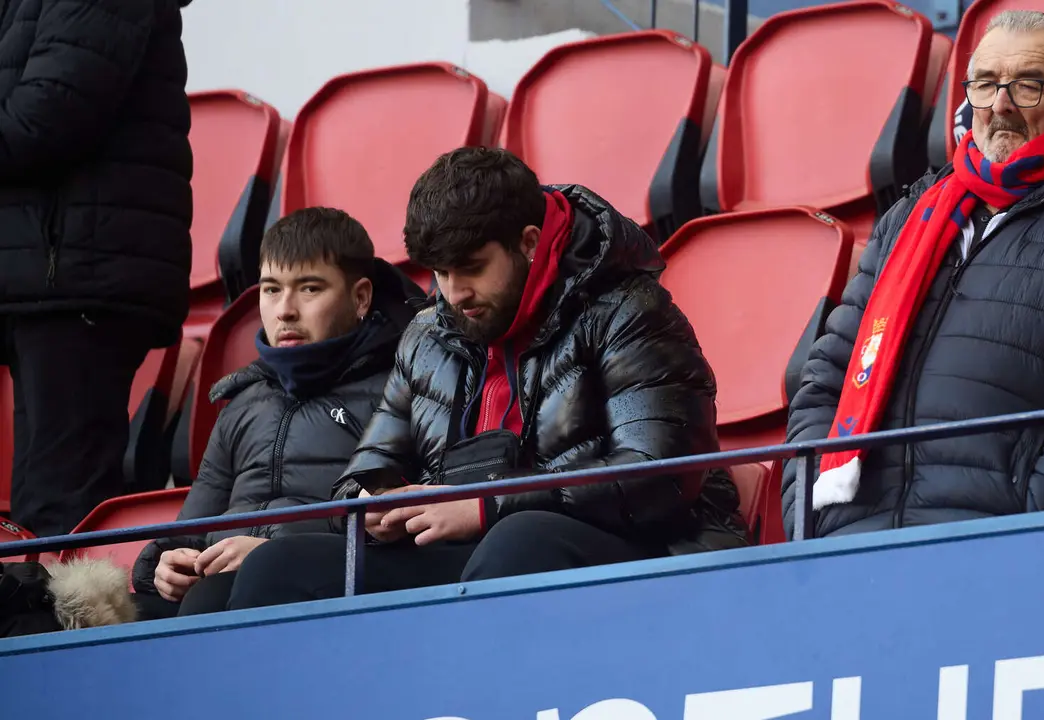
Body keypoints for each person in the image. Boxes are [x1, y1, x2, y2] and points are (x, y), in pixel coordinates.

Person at [226, 148, 747, 610]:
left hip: (634, 553)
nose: (454, 293)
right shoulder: (427, 333)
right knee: (281, 567)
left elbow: (659, 475)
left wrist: (487, 505)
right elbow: (373, 462)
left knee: (520, 540)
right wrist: (374, 501)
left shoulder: (629, 310)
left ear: (528, 242)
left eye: (472, 268)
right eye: (440, 273)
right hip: (469, 557)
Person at [782, 10, 1044, 539]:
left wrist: (1031, 518)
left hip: (1001, 549)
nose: (1000, 104)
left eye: (1027, 86)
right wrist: (811, 512)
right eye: (984, 84)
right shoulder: (912, 216)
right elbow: (827, 381)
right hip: (854, 543)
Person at [130, 208, 424, 620]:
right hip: (225, 582)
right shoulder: (243, 401)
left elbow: (398, 521)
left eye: (308, 289)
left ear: (360, 297)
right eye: (271, 290)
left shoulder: (400, 387)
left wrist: (272, 550)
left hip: (327, 584)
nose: (284, 311)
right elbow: (189, 531)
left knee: (222, 596)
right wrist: (164, 564)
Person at [0, 0, 194, 537]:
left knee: (58, 505)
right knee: (40, 507)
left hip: (76, 274)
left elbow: (46, 115)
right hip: (44, 276)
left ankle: (72, 622)